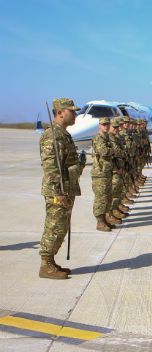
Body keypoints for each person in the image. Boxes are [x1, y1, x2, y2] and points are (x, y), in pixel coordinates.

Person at [38, 97, 83, 279]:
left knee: (61, 226)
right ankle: (45, 265)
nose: (75, 115)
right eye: (72, 111)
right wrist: (59, 192)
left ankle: (51, 261)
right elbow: (50, 167)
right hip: (59, 190)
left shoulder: (64, 134)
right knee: (54, 226)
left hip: (66, 188)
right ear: (59, 113)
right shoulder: (52, 135)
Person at [90, 117, 115, 231]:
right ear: (99, 126)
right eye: (103, 124)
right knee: (101, 198)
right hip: (100, 173)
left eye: (107, 124)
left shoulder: (107, 138)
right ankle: (99, 222)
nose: (106, 126)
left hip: (106, 171)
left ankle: (104, 219)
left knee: (108, 197)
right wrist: (114, 150)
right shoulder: (98, 138)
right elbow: (103, 151)